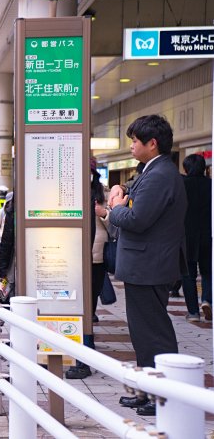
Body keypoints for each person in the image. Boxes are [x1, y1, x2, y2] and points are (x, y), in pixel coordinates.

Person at [108, 114, 186, 417]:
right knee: (143, 332)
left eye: (135, 141)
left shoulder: (160, 175)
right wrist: (122, 191)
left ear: (152, 144)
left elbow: (137, 219)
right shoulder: (154, 171)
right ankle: (147, 391)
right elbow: (134, 189)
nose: (130, 146)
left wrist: (114, 209)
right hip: (146, 265)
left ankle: (161, 395)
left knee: (153, 333)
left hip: (149, 266)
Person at [65, 158, 109, 379]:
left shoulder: (103, 194)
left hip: (95, 259)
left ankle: (86, 355)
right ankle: (75, 351)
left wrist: (103, 213)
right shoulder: (69, 191)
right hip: (71, 259)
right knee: (72, 305)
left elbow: (115, 226)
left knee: (87, 308)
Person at [181, 154, 212, 322]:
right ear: (204, 168)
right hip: (208, 236)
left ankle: (193, 312)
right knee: (208, 273)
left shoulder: (182, 185)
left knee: (188, 275)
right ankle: (207, 300)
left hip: (187, 237)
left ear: (186, 168)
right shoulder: (211, 185)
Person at [0, 191, 15, 303]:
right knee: (9, 283)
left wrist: (2, 269)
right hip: (11, 259)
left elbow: (6, 241)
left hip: (10, 258)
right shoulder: (6, 211)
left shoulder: (11, 211)